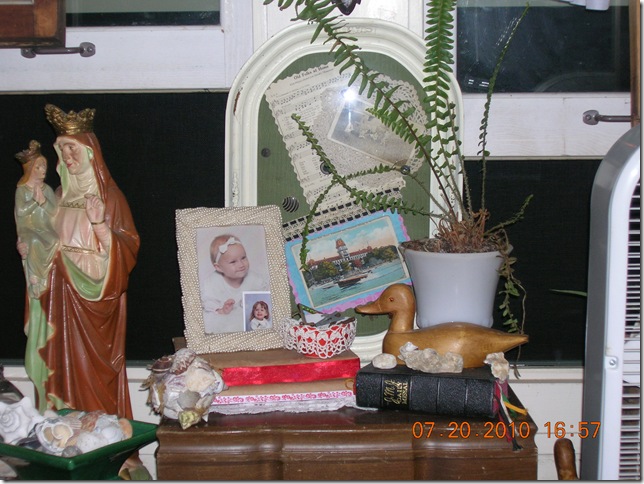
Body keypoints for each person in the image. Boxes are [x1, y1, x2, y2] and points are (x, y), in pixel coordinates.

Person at [17, 104, 140, 425]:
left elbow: (127, 249)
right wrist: (30, 251)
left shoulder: (110, 198)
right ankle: (62, 430)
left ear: (89, 153)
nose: (67, 156)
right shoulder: (58, 195)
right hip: (57, 296)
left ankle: (101, 432)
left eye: (72, 148)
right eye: (62, 149)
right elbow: (45, 239)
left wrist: (99, 224)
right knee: (59, 369)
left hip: (93, 301)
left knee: (91, 373)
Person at [14, 140, 59, 299]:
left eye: (44, 166)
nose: (43, 170)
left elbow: (54, 211)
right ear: (30, 169)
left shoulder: (47, 190)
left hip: (45, 228)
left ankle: (45, 279)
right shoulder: (22, 191)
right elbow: (20, 211)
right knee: (33, 242)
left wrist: (44, 201)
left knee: (55, 241)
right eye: (38, 167)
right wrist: (34, 201)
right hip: (29, 229)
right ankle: (35, 279)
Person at [200, 234, 269, 334]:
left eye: (243, 258)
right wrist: (222, 310)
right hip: (226, 323)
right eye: (233, 262)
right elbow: (209, 307)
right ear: (218, 267)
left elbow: (263, 296)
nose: (241, 264)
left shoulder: (253, 279)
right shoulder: (212, 283)